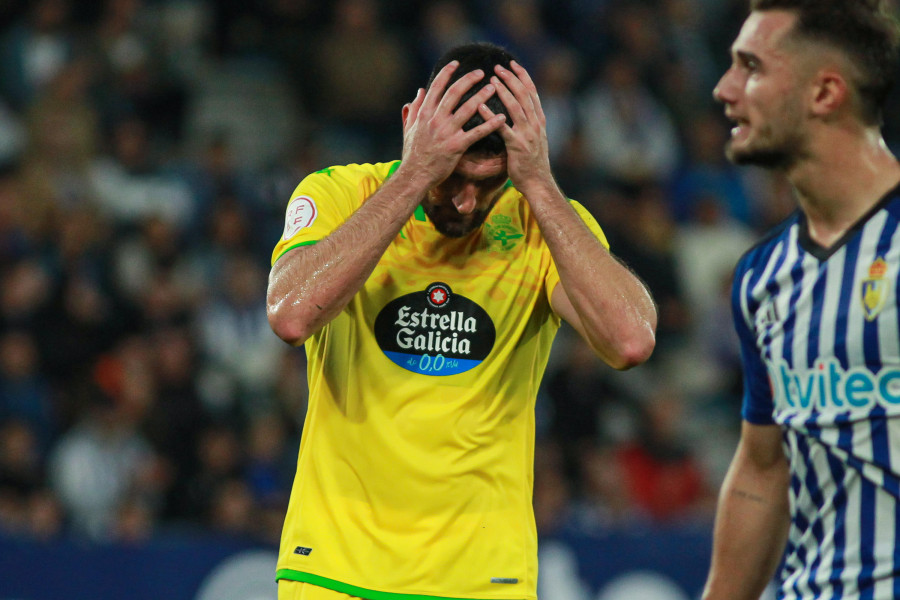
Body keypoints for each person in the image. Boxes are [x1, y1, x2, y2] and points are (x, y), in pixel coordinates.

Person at [266, 42, 657, 600]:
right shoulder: (339, 194)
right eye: (453, 175)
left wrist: (541, 185)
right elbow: (291, 313)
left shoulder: (540, 224)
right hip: (336, 566)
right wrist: (414, 176)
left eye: (489, 181)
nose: (469, 202)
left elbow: (630, 340)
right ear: (412, 122)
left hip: (483, 577)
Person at [702, 1, 900, 599]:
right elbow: (764, 467)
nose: (723, 89)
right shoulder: (764, 277)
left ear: (825, 93)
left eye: (751, 68)